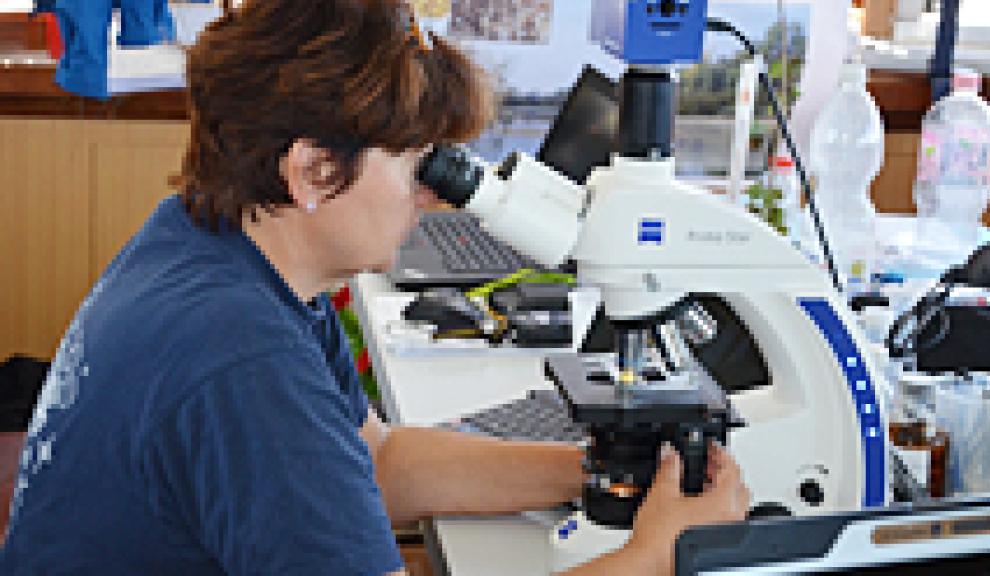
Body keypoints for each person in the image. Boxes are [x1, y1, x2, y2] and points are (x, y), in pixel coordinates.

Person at [0, 1, 749, 574]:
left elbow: (379, 462)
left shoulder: (223, 246)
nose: (433, 196)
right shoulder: (243, 359)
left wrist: (597, 475)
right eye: (415, 162)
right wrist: (653, 557)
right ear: (313, 171)